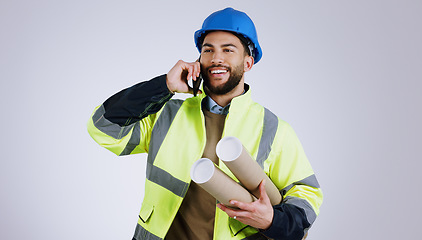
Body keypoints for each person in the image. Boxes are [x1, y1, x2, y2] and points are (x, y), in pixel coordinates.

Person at [87, 7, 323, 240]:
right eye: (208, 50)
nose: (216, 58)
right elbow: (103, 128)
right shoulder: (166, 115)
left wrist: (272, 222)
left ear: (248, 63)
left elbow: (307, 197)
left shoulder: (274, 129)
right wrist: (164, 86)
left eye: (228, 50)